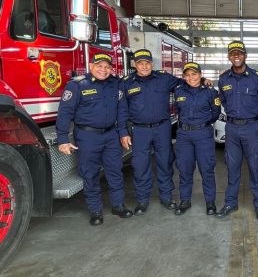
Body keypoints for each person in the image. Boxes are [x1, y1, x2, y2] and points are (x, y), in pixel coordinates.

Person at [56, 52, 132, 225]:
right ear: (91, 66)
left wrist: (122, 133)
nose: (103, 70)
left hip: (111, 135)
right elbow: (65, 113)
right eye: (99, 66)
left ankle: (118, 205)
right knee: (90, 174)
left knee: (115, 171)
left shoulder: (116, 84)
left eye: (107, 67)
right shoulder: (77, 85)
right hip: (87, 136)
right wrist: (62, 139)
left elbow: (121, 111)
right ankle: (95, 211)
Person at [118, 49, 180, 214]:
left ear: (152, 64)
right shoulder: (126, 83)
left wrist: (203, 80)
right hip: (139, 131)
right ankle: (142, 200)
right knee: (140, 166)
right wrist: (123, 132)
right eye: (140, 63)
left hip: (162, 128)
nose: (144, 66)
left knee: (165, 163)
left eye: (147, 63)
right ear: (134, 65)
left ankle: (166, 197)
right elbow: (122, 110)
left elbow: (186, 84)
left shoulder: (165, 79)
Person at [216, 41, 258, 220]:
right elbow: (223, 100)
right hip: (232, 129)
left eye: (239, 53)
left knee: (255, 166)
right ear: (229, 56)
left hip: (251, 127)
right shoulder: (223, 78)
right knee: (232, 167)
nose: (236, 56)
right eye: (233, 53)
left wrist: (250, 114)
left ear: (245, 55)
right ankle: (230, 203)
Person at [173, 61, 221, 216]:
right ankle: (185, 200)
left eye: (194, 74)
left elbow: (215, 112)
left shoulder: (210, 92)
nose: (191, 77)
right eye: (187, 75)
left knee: (207, 169)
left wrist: (203, 124)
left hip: (203, 134)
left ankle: (210, 202)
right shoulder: (179, 91)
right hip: (183, 135)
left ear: (200, 75)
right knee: (185, 169)